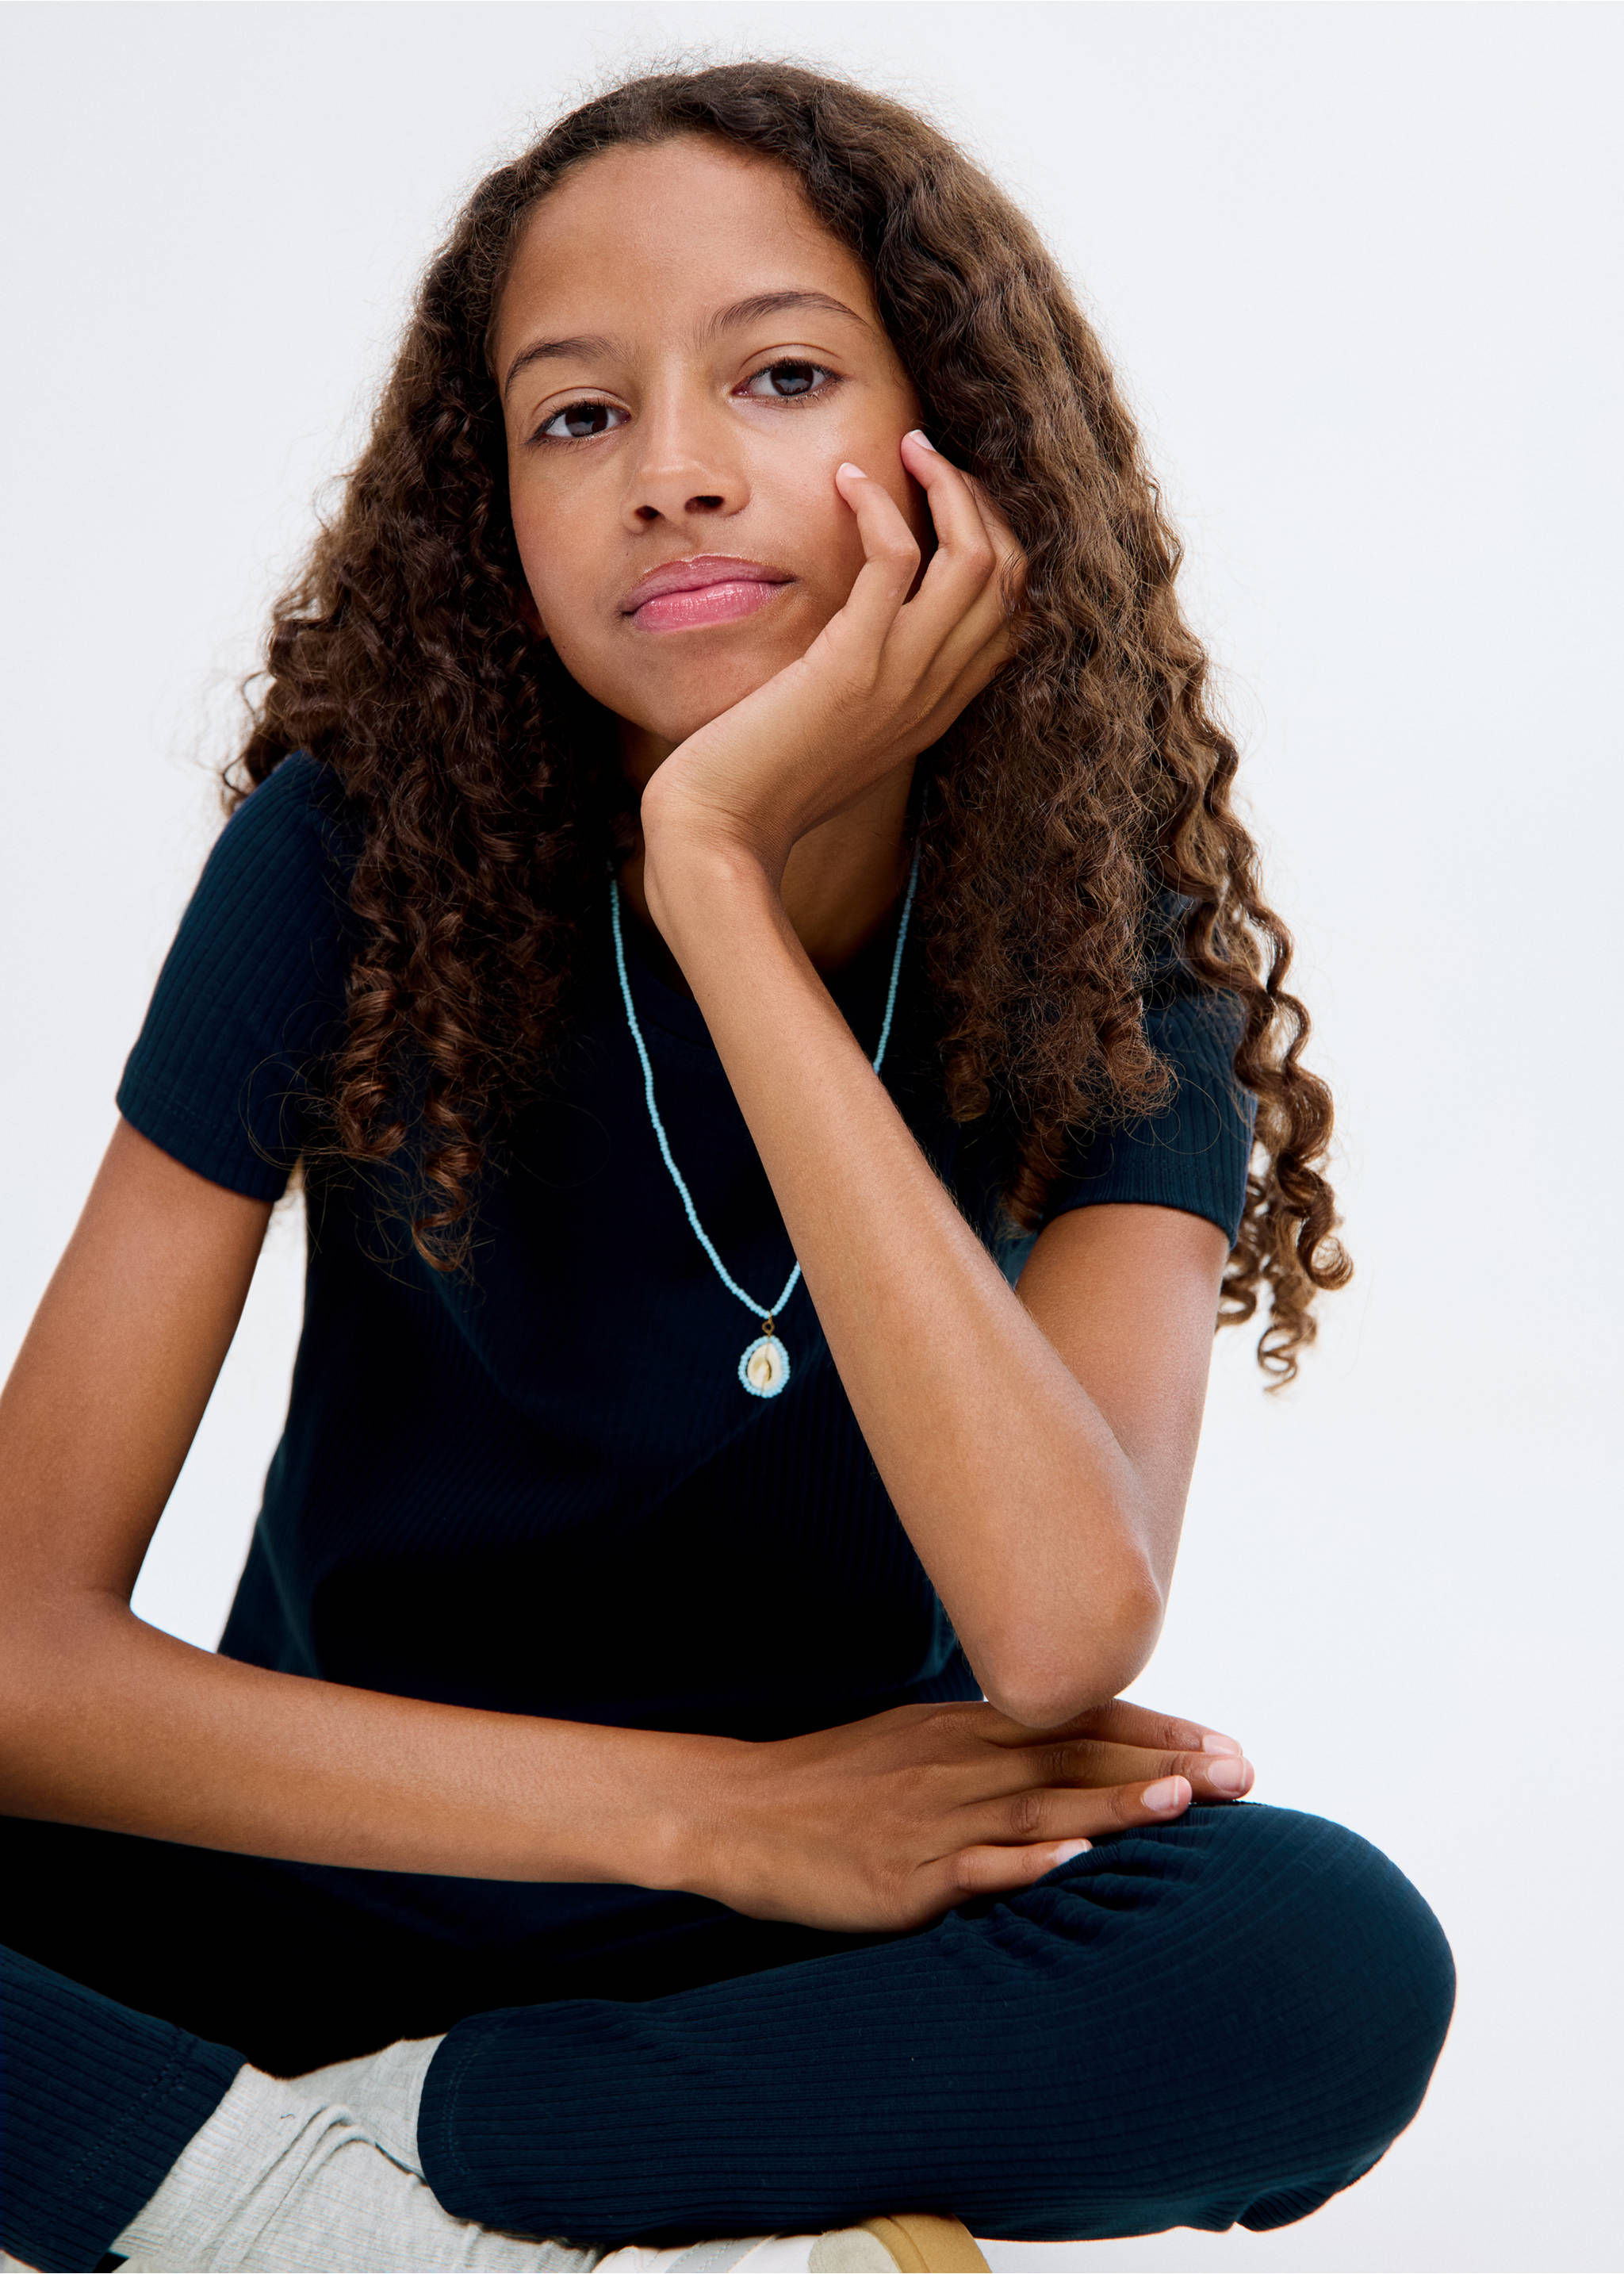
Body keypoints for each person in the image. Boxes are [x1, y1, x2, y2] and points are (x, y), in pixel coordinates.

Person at [0, 60, 1454, 2274]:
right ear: (491, 510)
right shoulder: (356, 857)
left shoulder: (1097, 927)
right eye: (576, 418)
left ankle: (344, 2168)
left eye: (780, 376)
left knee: (1321, 1959)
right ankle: (353, 2219)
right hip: (308, 1905)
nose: (674, 474)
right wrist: (718, 1812)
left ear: (950, 433)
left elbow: (1064, 1622)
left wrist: (720, 885)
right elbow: (19, 1654)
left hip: (806, 1977)